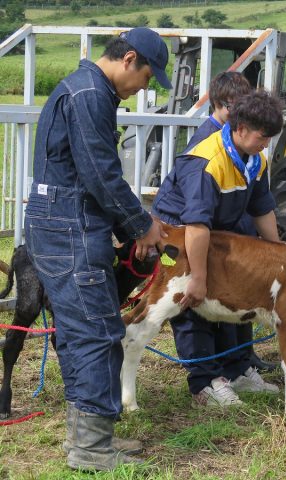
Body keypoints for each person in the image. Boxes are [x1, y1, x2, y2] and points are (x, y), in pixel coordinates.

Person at [24, 28, 170, 471]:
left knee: (80, 330)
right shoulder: (90, 94)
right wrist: (141, 225)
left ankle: (90, 435)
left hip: (60, 223)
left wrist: (128, 228)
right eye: (147, 76)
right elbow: (101, 175)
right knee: (96, 332)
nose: (146, 87)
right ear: (129, 59)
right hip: (70, 227)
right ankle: (90, 448)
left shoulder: (85, 89)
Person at [152, 89, 283, 406]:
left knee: (236, 299)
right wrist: (197, 276)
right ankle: (205, 383)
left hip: (218, 235)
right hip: (181, 237)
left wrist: (280, 254)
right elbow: (196, 226)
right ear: (240, 129)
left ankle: (237, 370)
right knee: (194, 304)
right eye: (262, 137)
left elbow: (261, 209)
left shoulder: (255, 159)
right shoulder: (207, 162)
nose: (266, 144)